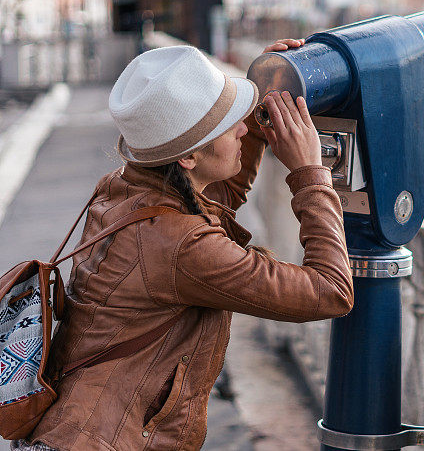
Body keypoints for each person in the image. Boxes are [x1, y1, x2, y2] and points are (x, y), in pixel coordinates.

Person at [15, 41, 353, 450]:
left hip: (73, 430)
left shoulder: (126, 187)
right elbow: (330, 291)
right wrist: (310, 174)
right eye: (233, 124)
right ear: (189, 157)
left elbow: (215, 198)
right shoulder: (182, 246)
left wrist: (267, 88)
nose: (244, 128)